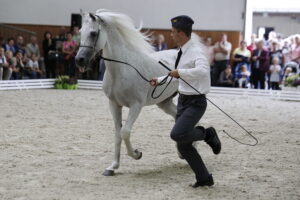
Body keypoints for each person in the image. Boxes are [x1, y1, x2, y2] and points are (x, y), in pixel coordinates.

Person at [150, 15, 221, 188]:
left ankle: (207, 134)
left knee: (177, 134)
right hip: (183, 100)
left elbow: (203, 71)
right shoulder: (182, 51)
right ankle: (204, 178)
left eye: (174, 32)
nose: (171, 35)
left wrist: (181, 73)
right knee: (183, 146)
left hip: (196, 102)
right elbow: (177, 74)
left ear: (182, 33)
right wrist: (159, 80)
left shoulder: (196, 51)